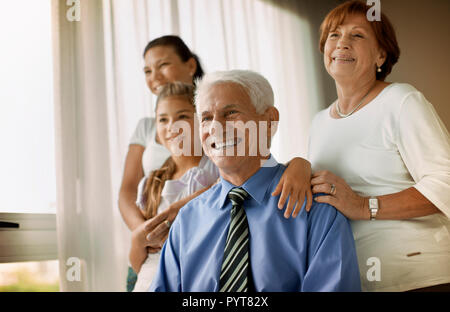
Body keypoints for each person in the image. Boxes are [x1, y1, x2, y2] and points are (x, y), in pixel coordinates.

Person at [119, 35, 314, 291]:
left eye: (229, 113)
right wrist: (144, 233)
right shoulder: (148, 138)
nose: (155, 76)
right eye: (207, 118)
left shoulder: (216, 157)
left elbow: (250, 168)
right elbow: (127, 189)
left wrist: (300, 164)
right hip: (155, 243)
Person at [149, 70, 361, 292]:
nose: (215, 128)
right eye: (206, 118)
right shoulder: (187, 221)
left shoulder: (317, 210)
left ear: (269, 120)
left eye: (230, 113)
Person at [302, 0, 450, 291]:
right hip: (353, 280)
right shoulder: (318, 122)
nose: (342, 43)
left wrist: (363, 205)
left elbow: (446, 183)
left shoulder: (402, 101)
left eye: (357, 35)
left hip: (419, 278)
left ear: (381, 54)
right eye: (334, 34)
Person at [130, 82, 220, 291]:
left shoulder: (217, 170)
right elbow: (140, 258)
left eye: (182, 117)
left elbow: (225, 188)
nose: (172, 127)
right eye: (163, 119)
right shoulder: (151, 185)